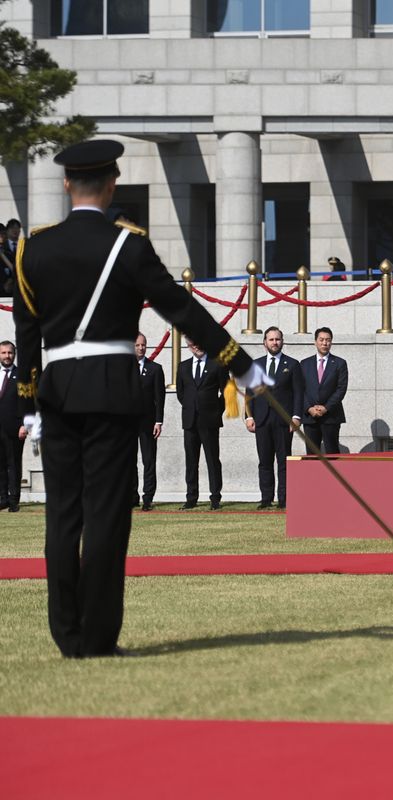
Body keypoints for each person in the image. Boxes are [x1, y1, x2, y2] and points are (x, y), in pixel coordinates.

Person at [11, 139, 264, 658]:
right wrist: (241, 364)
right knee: (105, 514)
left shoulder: (33, 249)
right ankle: (98, 637)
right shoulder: (128, 245)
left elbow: (27, 335)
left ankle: (67, 636)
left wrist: (31, 404)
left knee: (63, 515)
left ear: (65, 185)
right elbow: (181, 311)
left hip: (57, 392)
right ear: (112, 184)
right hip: (109, 389)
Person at [244, 326, 303, 508]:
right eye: (271, 339)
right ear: (264, 343)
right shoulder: (256, 365)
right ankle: (266, 499)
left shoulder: (293, 365)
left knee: (284, 462)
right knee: (265, 461)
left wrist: (296, 417)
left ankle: (284, 500)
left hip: (284, 421)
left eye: (277, 339)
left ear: (282, 341)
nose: (274, 342)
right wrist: (248, 417)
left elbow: (299, 393)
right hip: (261, 419)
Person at [177, 338, 228, 510]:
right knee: (191, 461)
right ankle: (191, 497)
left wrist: (215, 410)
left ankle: (215, 497)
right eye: (192, 343)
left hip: (210, 421)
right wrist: (191, 407)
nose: (196, 346)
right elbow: (181, 393)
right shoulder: (183, 366)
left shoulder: (217, 364)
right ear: (188, 345)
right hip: (190, 421)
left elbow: (226, 391)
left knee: (212, 460)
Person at [300, 327, 348, 455]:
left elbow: (341, 389)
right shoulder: (304, 364)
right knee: (311, 455)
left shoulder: (340, 363)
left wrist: (326, 407)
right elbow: (300, 389)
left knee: (332, 453)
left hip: (331, 416)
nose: (324, 343)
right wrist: (309, 408)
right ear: (315, 342)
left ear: (331, 342)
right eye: (321, 340)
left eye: (328, 340)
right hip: (310, 417)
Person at [132, 333, 165, 511]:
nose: (141, 348)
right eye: (137, 345)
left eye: (143, 345)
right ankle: (132, 496)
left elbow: (159, 399)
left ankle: (148, 497)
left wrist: (158, 421)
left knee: (149, 460)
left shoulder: (155, 369)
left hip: (148, 422)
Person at [0, 340, 27, 512]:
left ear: (14, 354)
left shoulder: (21, 375)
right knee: (0, 464)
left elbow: (28, 402)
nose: (7, 356)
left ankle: (13, 500)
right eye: (3, 353)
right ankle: (2, 498)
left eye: (10, 353)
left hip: (15, 428)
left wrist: (25, 425)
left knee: (14, 463)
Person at [1, 219, 20, 295]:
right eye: (12, 228)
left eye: (17, 228)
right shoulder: (3, 246)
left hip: (19, 287)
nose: (15, 230)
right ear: (7, 231)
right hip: (4, 288)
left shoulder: (25, 246)